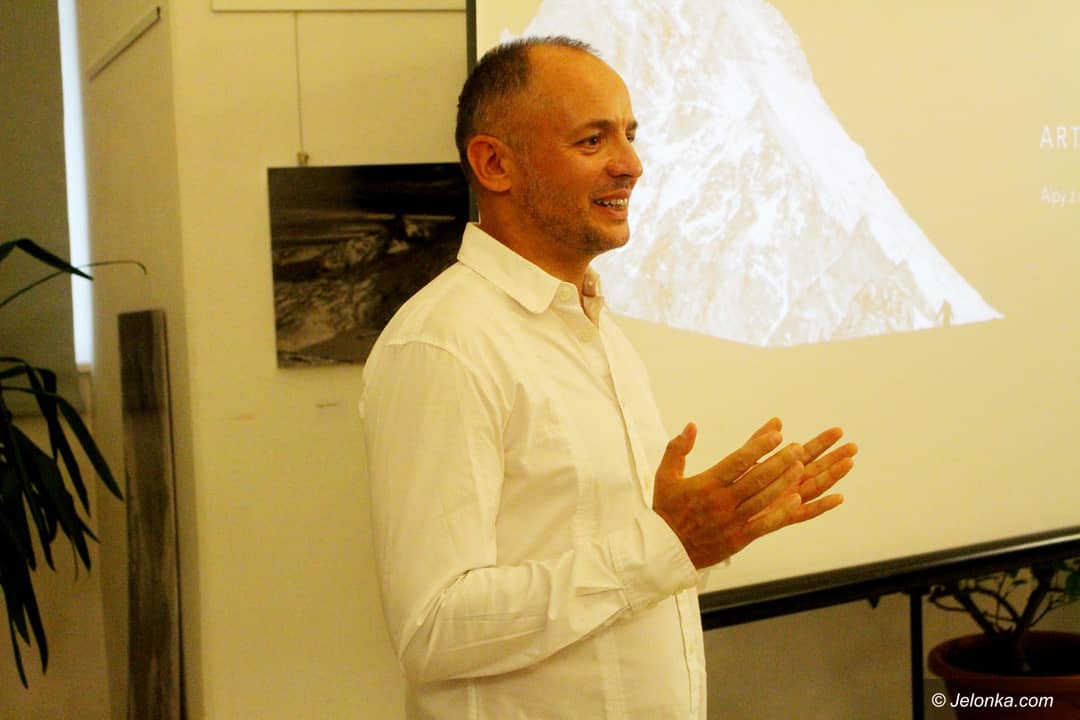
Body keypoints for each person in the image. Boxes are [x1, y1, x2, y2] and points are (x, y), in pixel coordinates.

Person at [360, 36, 857, 719]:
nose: (631, 165)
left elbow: (626, 565)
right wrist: (668, 545)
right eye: (592, 141)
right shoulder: (444, 345)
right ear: (495, 164)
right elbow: (433, 630)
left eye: (629, 135)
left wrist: (714, 532)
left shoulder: (595, 325)